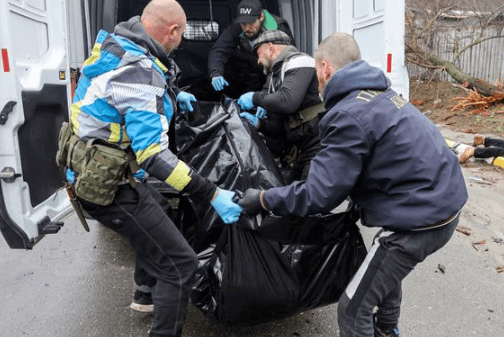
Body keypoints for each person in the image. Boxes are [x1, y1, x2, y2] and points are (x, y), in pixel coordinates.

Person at [238, 32, 468, 337]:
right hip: (442, 203)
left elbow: (318, 195)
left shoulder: (346, 114)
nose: (318, 85)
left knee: (352, 308)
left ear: (324, 69)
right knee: (383, 266)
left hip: (422, 219)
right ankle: (387, 330)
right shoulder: (381, 96)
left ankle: (383, 329)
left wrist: (264, 199)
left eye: (318, 78)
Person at [68, 1, 242, 336]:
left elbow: (124, 91)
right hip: (106, 185)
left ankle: (145, 293)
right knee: (181, 266)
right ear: (174, 30)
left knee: (160, 207)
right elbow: (154, 157)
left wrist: (173, 95)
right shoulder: (140, 72)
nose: (179, 44)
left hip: (91, 167)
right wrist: (212, 193)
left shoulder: (120, 46)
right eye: (180, 36)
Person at [237, 30, 324, 183]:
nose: (258, 61)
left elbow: (287, 101)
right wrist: (259, 124)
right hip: (303, 147)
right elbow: (280, 128)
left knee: (307, 198)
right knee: (289, 191)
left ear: (270, 48)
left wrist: (256, 98)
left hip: (319, 142)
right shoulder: (275, 75)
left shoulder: (299, 62)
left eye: (259, 54)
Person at [207, 0, 294, 98]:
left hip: (273, 71)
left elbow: (282, 65)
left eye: (251, 22)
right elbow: (220, 49)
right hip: (251, 70)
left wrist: (266, 96)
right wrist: (215, 73)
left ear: (261, 17)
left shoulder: (278, 29)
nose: (247, 28)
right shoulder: (237, 26)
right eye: (243, 23)